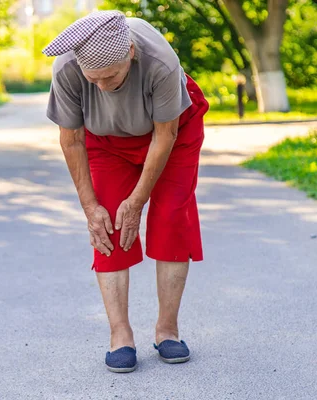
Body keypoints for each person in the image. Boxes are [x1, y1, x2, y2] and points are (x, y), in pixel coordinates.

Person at [42, 10, 209, 373]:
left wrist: (137, 201)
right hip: (105, 141)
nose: (101, 86)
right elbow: (71, 140)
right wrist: (90, 207)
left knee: (169, 217)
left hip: (171, 135)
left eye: (110, 77)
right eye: (93, 79)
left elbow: (165, 136)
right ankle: (120, 335)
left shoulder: (159, 62)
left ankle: (168, 330)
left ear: (130, 54)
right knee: (108, 226)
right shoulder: (67, 70)